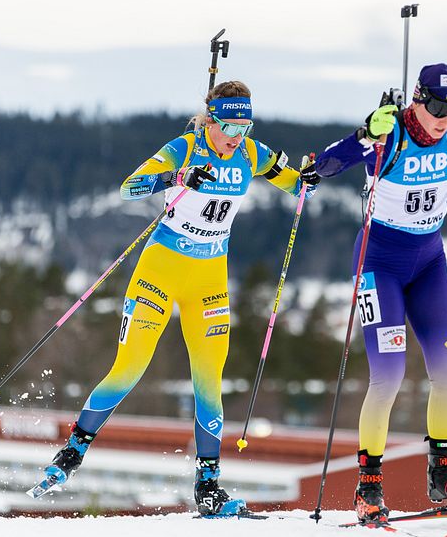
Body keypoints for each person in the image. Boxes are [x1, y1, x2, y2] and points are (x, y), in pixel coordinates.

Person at [36, 80, 320, 516]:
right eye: (228, 126)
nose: (235, 137)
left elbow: (296, 186)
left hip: (209, 278)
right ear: (211, 120)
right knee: (129, 367)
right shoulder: (183, 147)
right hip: (161, 269)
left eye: (244, 127)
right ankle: (71, 453)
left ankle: (208, 486)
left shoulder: (251, 153)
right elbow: (129, 188)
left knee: (210, 379)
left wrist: (307, 180)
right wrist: (177, 177)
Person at [314, 63, 447, 523]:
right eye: (435, 106)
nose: (444, 117)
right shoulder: (390, 132)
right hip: (379, 262)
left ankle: (442, 475)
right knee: (388, 375)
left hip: (429, 261)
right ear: (417, 98)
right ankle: (368, 485)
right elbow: (322, 166)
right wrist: (364, 133)